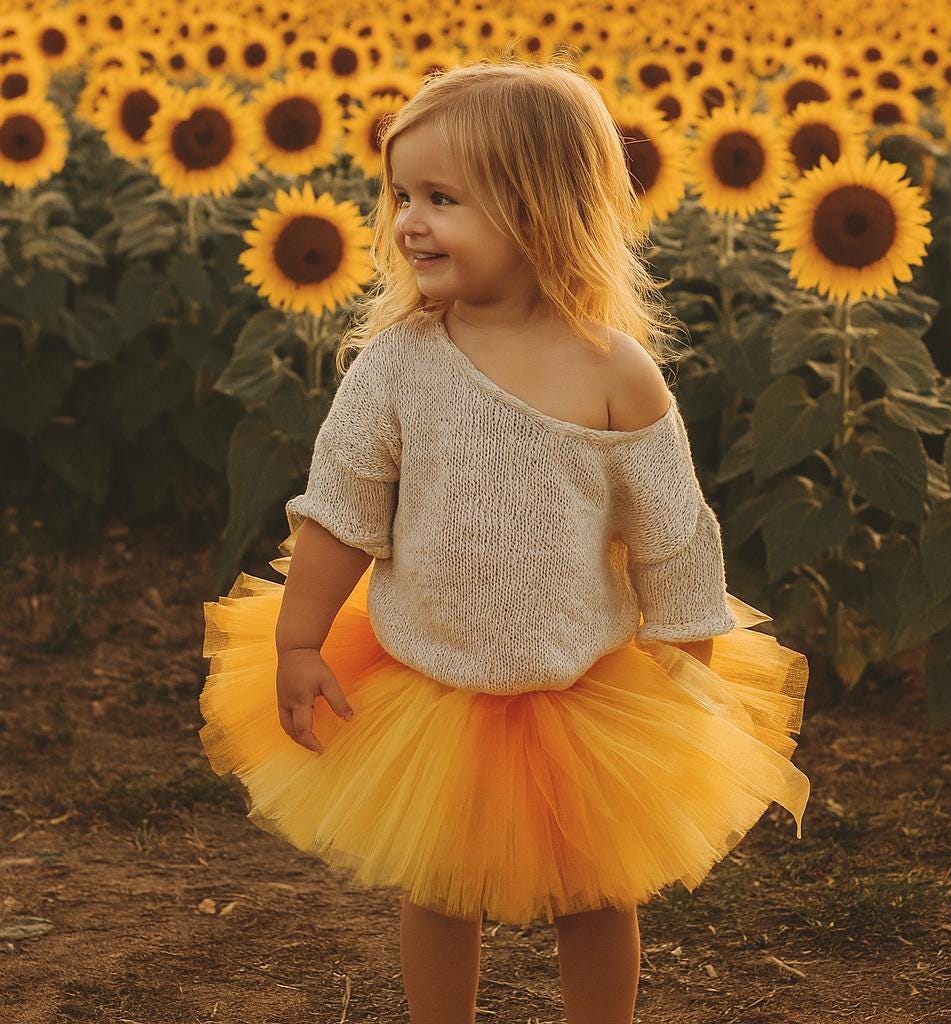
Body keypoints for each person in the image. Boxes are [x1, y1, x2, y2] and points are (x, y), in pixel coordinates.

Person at [198, 57, 811, 1024]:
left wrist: (688, 662)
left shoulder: (616, 372)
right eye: (401, 194)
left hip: (586, 686)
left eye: (443, 198)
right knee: (438, 880)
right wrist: (300, 638)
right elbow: (342, 508)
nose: (409, 221)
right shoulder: (399, 364)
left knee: (599, 888)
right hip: (428, 678)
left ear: (540, 208)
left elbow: (674, 536)